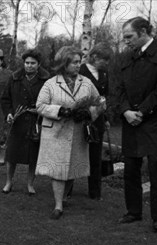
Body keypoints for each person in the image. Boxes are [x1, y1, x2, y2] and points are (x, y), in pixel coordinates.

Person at [115, 17, 157, 232]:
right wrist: (126, 111)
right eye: (124, 38)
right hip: (131, 119)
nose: (126, 42)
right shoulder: (125, 57)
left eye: (129, 37)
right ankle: (133, 211)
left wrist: (142, 111)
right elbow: (117, 89)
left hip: (156, 121)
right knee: (131, 168)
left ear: (143, 32)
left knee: (156, 167)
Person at [36, 46, 103, 219]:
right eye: (74, 62)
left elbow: (100, 102)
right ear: (64, 63)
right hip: (56, 133)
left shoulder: (86, 83)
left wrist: (90, 113)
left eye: (79, 62)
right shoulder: (50, 84)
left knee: (72, 169)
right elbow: (40, 106)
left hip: (77, 133)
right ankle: (58, 205)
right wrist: (60, 111)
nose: (77, 65)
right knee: (58, 170)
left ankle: (64, 197)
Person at [65, 43, 113, 200]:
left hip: (97, 122)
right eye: (104, 59)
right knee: (74, 156)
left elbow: (105, 97)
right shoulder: (80, 70)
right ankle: (66, 191)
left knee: (95, 157)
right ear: (94, 57)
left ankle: (95, 193)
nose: (107, 63)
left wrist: (105, 119)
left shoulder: (104, 73)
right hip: (79, 120)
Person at [0, 49, 50, 195]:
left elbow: (51, 100)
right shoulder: (14, 77)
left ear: (38, 64)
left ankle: (30, 184)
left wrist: (41, 110)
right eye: (27, 63)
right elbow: (5, 99)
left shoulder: (46, 80)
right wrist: (9, 113)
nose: (29, 66)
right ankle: (9, 182)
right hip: (18, 122)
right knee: (12, 154)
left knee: (33, 155)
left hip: (35, 123)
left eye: (33, 63)